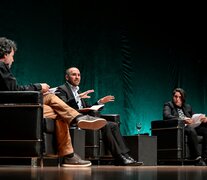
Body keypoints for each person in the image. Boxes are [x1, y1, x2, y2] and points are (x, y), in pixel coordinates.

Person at [0, 37, 107, 167]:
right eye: (12, 55)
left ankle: (69, 154)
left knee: (57, 108)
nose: (13, 59)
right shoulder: (1, 66)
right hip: (12, 108)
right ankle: (77, 122)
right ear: (5, 54)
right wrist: (39, 87)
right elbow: (14, 90)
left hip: (15, 106)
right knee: (53, 101)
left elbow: (11, 90)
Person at [56, 67, 143, 166]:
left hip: (86, 119)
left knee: (113, 125)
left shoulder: (78, 91)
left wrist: (99, 102)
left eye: (79, 75)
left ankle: (125, 155)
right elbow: (63, 106)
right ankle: (119, 157)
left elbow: (88, 108)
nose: (77, 77)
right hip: (74, 120)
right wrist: (77, 97)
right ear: (67, 77)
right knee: (105, 125)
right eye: (74, 74)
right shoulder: (61, 90)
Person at [163, 87, 207, 166]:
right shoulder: (168, 105)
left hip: (190, 126)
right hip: (179, 128)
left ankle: (205, 157)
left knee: (205, 130)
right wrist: (183, 120)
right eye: (175, 97)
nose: (177, 99)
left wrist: (202, 119)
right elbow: (167, 116)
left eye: (180, 97)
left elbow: (194, 117)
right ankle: (198, 158)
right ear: (173, 97)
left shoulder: (187, 107)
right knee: (190, 129)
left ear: (183, 98)